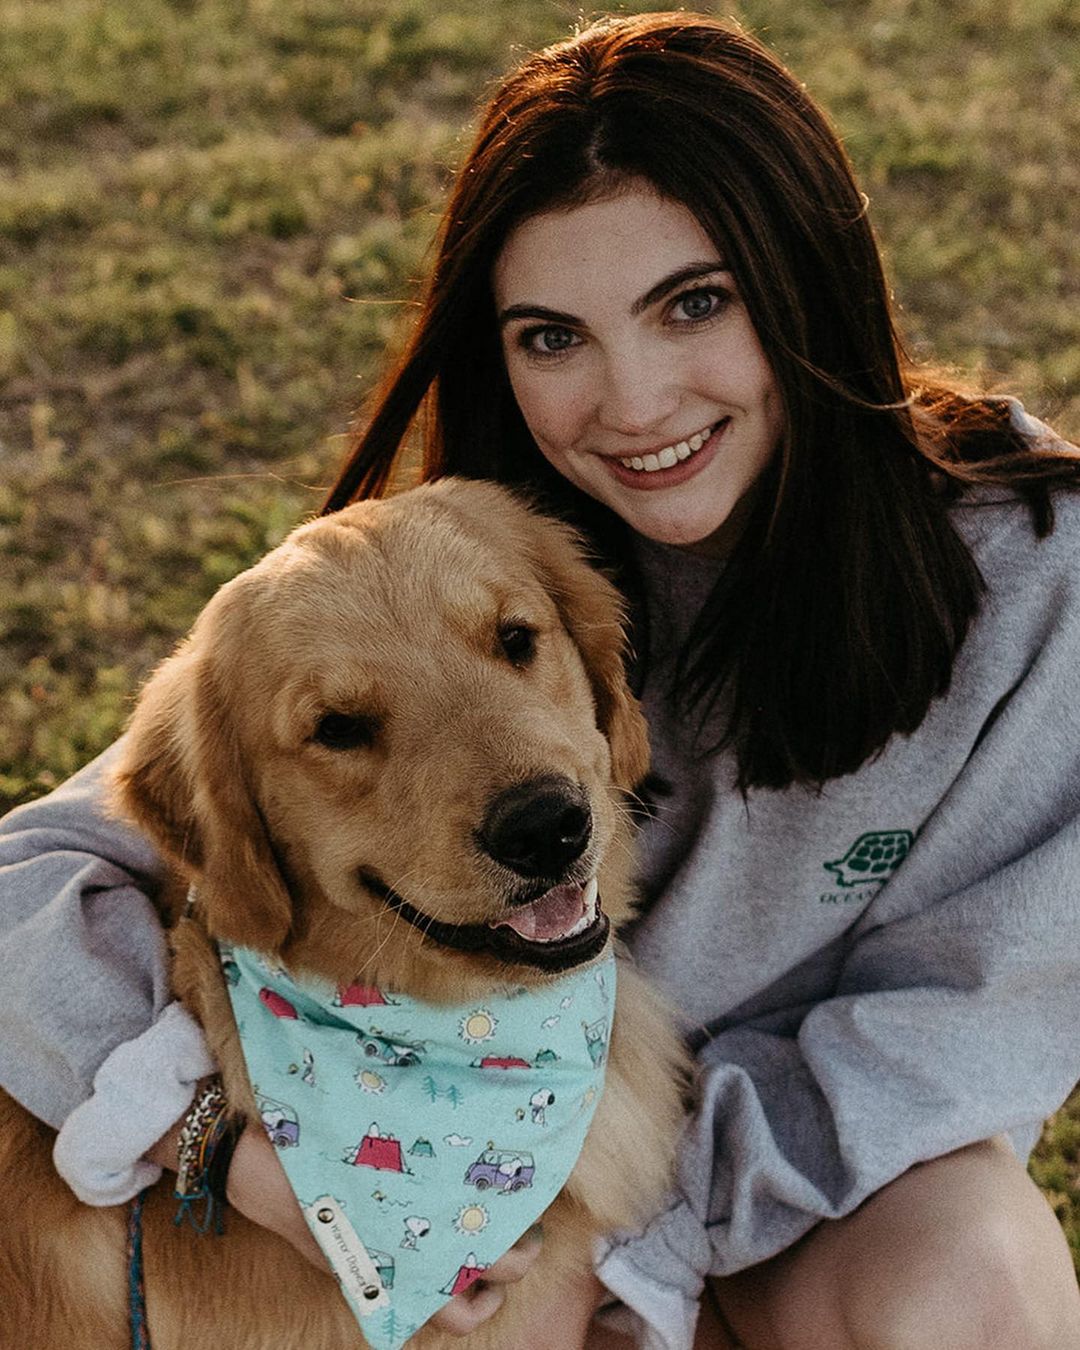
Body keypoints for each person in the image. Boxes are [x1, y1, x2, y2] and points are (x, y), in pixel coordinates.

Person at [2, 12, 1080, 1349]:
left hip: (796, 1183)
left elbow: (974, 1024)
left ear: (810, 278)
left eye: (696, 302)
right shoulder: (481, 540)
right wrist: (210, 1140)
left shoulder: (1043, 577)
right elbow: (36, 870)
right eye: (552, 335)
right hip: (481, 1171)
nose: (631, 404)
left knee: (977, 1284)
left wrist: (620, 1241)